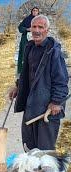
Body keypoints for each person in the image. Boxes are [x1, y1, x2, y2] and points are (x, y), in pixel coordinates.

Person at [9, 15, 69, 150]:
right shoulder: (29, 48)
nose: (36, 30)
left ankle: (48, 171)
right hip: (31, 107)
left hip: (47, 109)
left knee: (45, 150)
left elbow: (61, 80)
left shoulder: (53, 51)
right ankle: (33, 171)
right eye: (34, 27)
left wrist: (57, 102)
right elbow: (27, 74)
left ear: (47, 30)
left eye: (40, 27)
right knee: (29, 147)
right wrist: (18, 86)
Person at [17, 7, 39, 79]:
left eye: (36, 11)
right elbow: (20, 28)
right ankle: (22, 72)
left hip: (37, 39)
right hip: (26, 39)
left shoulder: (40, 20)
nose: (35, 12)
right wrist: (27, 29)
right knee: (25, 54)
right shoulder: (27, 19)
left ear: (38, 12)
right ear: (31, 11)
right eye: (33, 10)